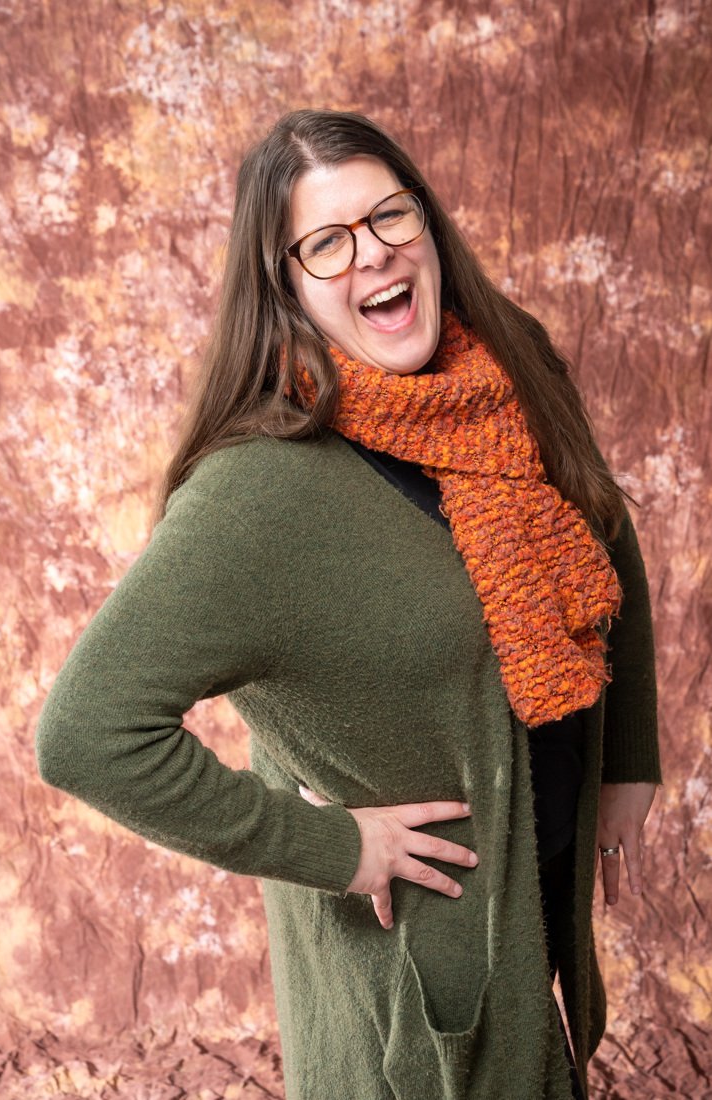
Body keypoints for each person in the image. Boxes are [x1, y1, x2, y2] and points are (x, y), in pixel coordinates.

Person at [35, 109, 661, 1100]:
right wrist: (333, 843)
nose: (370, 254)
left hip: (531, 905)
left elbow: (594, 517)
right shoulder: (259, 488)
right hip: (416, 979)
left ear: (427, 223)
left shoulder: (504, 362)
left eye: (388, 217)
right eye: (326, 241)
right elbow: (84, 731)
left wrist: (625, 759)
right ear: (283, 283)